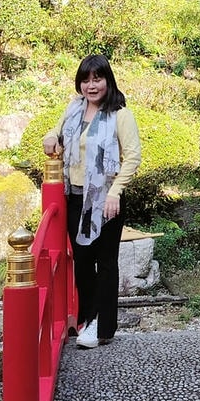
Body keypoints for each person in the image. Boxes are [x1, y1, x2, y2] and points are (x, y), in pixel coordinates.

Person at [42, 54, 142, 348]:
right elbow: (56, 130)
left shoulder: (120, 114)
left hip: (105, 199)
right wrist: (50, 136)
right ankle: (88, 318)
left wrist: (115, 192)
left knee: (105, 262)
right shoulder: (74, 109)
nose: (91, 85)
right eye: (85, 80)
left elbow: (133, 157)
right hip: (75, 196)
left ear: (108, 80)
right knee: (83, 262)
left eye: (97, 78)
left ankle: (102, 327)